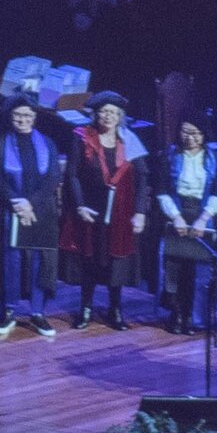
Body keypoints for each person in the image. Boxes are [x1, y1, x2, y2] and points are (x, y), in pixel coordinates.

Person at [64, 93, 149, 332]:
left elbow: (142, 178)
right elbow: (71, 174)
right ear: (95, 114)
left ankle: (115, 309)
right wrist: (79, 205)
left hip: (122, 211)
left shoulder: (129, 139)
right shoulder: (82, 137)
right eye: (103, 112)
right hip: (91, 210)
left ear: (120, 116)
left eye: (113, 112)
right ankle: (86, 308)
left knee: (117, 261)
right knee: (89, 259)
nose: (108, 116)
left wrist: (140, 212)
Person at [0, 96, 65, 338]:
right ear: (11, 117)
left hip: (40, 208)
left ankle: (37, 312)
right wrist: (17, 202)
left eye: (28, 116)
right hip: (9, 208)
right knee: (10, 259)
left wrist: (31, 203)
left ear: (35, 118)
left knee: (39, 261)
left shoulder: (48, 143)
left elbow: (53, 176)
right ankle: (8, 310)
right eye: (18, 116)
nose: (22, 120)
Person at [153, 117, 217, 339]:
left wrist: (204, 219)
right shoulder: (170, 156)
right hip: (176, 212)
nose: (190, 138)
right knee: (174, 267)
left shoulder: (213, 158)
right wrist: (175, 217)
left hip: (202, 214)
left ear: (204, 135)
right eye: (185, 132)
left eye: (195, 133)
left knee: (197, 269)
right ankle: (175, 312)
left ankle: (192, 316)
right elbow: (162, 189)